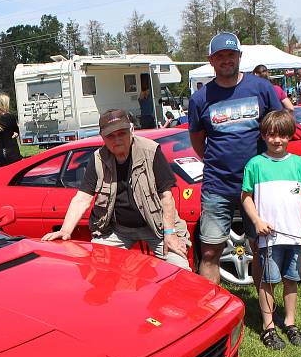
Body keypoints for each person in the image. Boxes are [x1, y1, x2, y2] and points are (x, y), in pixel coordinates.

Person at [41, 109, 191, 270]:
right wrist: (65, 229)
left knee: (179, 267)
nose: (117, 139)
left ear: (131, 130)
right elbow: (82, 199)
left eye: (122, 133)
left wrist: (170, 233)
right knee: (98, 271)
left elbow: (166, 196)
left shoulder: (151, 151)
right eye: (110, 136)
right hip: (117, 230)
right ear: (103, 138)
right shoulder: (98, 159)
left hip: (158, 227)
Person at [188, 32, 282, 284]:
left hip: (258, 185)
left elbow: (279, 128)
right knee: (209, 252)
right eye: (220, 56)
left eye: (231, 54)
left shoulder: (261, 88)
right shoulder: (200, 99)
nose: (226, 60)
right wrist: (217, 162)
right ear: (211, 60)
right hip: (217, 187)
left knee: (262, 249)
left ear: (239, 56)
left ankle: (266, 316)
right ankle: (211, 312)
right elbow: (198, 141)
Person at [241, 110, 301, 350]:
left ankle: (290, 322)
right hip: (269, 238)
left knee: (291, 279)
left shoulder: (300, 165)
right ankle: (268, 327)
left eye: (282, 136)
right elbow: (245, 196)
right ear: (264, 136)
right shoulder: (255, 164)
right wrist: (256, 221)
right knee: (268, 281)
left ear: (290, 136)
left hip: (294, 236)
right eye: (272, 135)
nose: (277, 140)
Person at [0, 93, 22, 167]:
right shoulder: (10, 117)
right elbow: (15, 131)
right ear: (4, 104)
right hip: (12, 152)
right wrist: (16, 132)